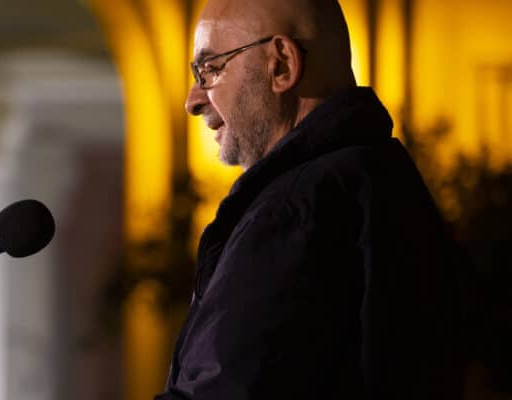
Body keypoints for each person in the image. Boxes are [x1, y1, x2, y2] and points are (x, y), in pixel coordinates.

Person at [156, 0, 462, 398]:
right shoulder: (382, 178)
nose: (193, 100)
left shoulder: (294, 212)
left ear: (281, 65)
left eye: (211, 69)